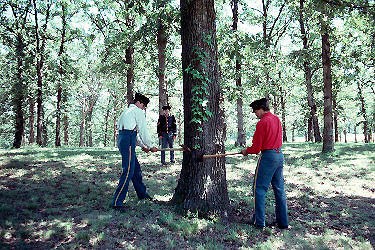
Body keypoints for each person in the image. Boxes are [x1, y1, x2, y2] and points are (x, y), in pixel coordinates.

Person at [241, 98, 289, 229]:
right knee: (279, 189)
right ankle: (283, 223)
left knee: (259, 189)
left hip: (268, 157)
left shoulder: (263, 122)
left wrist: (246, 151)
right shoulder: (276, 119)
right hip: (279, 156)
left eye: (255, 111)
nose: (255, 114)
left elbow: (256, 148)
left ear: (261, 109)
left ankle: (259, 222)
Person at [112, 93, 158, 211]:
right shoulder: (137, 112)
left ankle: (142, 194)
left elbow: (132, 132)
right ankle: (117, 201)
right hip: (127, 140)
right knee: (128, 171)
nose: (144, 108)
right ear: (139, 103)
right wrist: (151, 145)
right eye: (144, 106)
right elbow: (142, 131)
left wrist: (143, 146)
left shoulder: (127, 111)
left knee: (136, 169)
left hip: (124, 139)